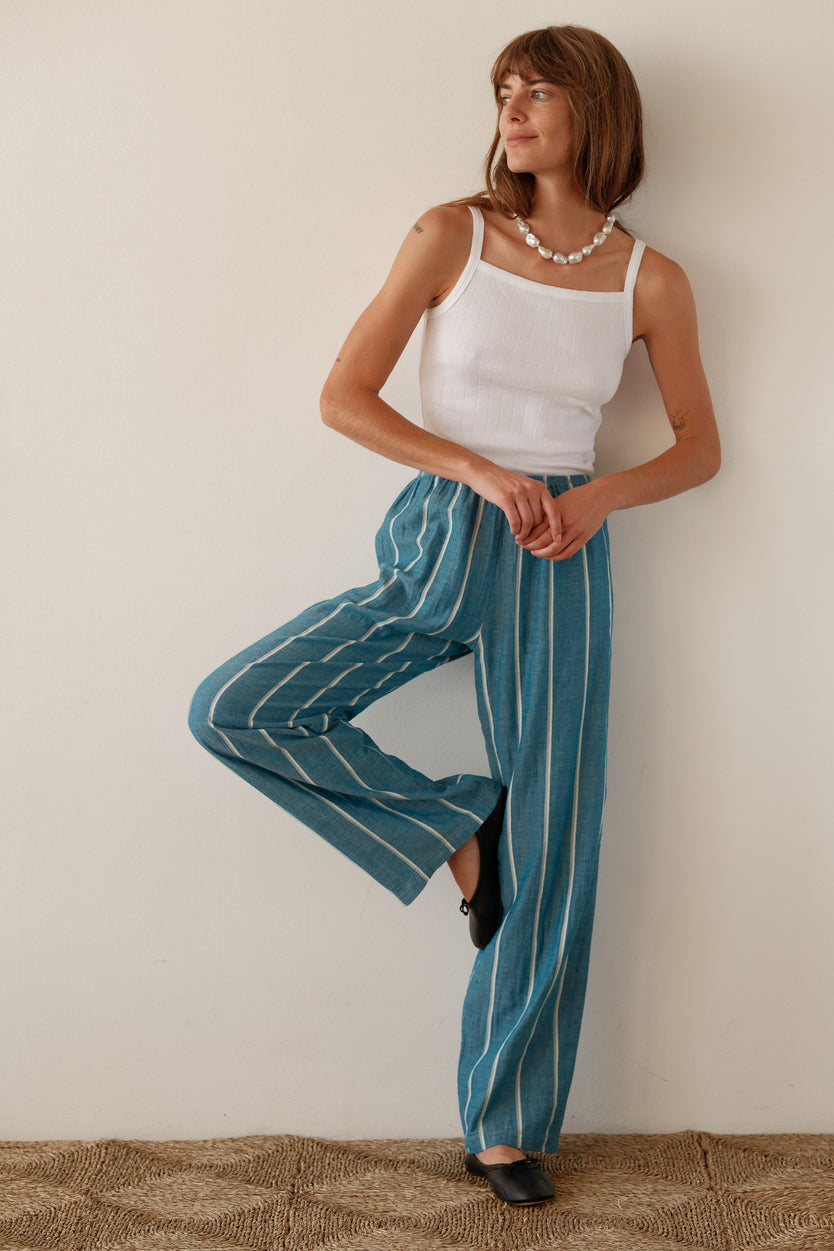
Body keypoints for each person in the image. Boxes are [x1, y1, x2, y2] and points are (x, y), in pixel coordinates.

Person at [189, 25, 720, 1207]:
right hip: (446, 530)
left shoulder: (651, 278)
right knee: (237, 708)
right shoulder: (452, 234)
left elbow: (699, 447)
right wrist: (478, 470)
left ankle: (508, 1130)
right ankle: (453, 827)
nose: (512, 109)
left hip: (563, 551)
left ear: (595, 110)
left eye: (538, 90)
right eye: (503, 92)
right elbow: (346, 396)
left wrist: (600, 497)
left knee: (559, 839)